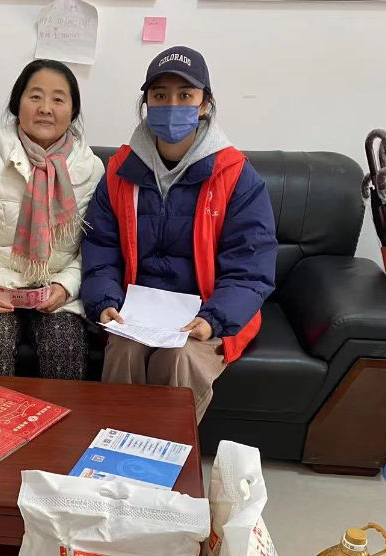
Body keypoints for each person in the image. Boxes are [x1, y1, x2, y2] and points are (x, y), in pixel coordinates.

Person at [81, 46, 277, 420]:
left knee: (177, 356)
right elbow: (100, 247)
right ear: (146, 103)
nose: (172, 105)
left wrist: (213, 319)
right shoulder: (120, 171)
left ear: (205, 104)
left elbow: (251, 269)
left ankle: (167, 450)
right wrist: (104, 301)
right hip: (136, 315)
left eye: (185, 95)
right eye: (160, 96)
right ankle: (113, 445)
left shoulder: (237, 176)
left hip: (205, 312)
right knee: (123, 350)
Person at [0, 60, 104, 379]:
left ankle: (59, 416)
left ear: (73, 111)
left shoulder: (91, 168)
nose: (46, 108)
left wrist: (66, 287)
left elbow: (94, 247)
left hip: (56, 289)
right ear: (17, 104)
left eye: (58, 99)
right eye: (35, 96)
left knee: (65, 346)